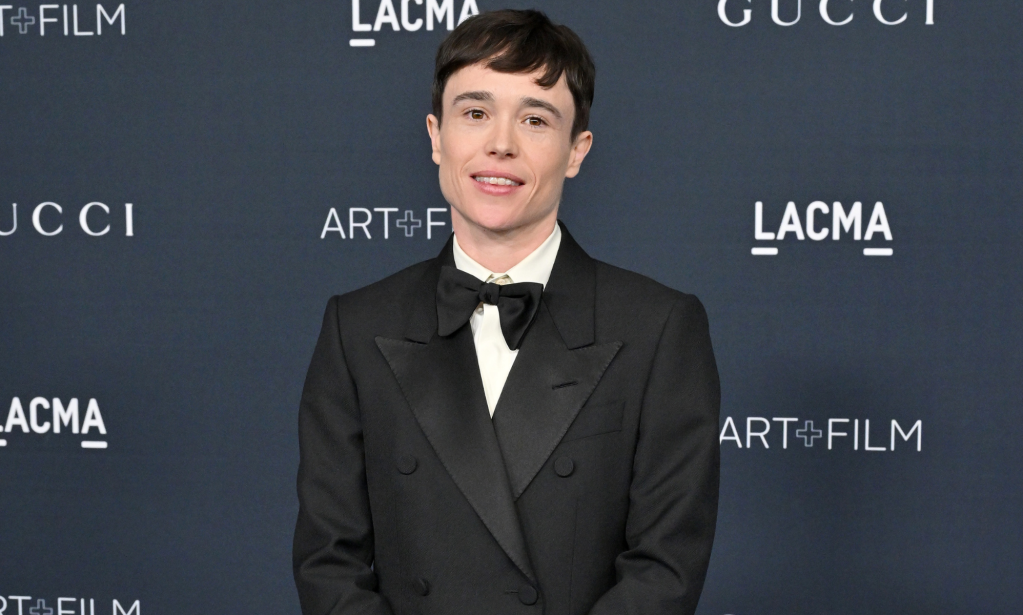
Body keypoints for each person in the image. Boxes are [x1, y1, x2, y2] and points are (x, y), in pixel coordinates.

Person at [294, 9, 720, 615]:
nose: (501, 142)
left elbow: (665, 570)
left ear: (577, 151)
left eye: (535, 119)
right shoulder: (356, 328)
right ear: (436, 136)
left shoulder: (658, 328)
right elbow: (328, 563)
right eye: (475, 113)